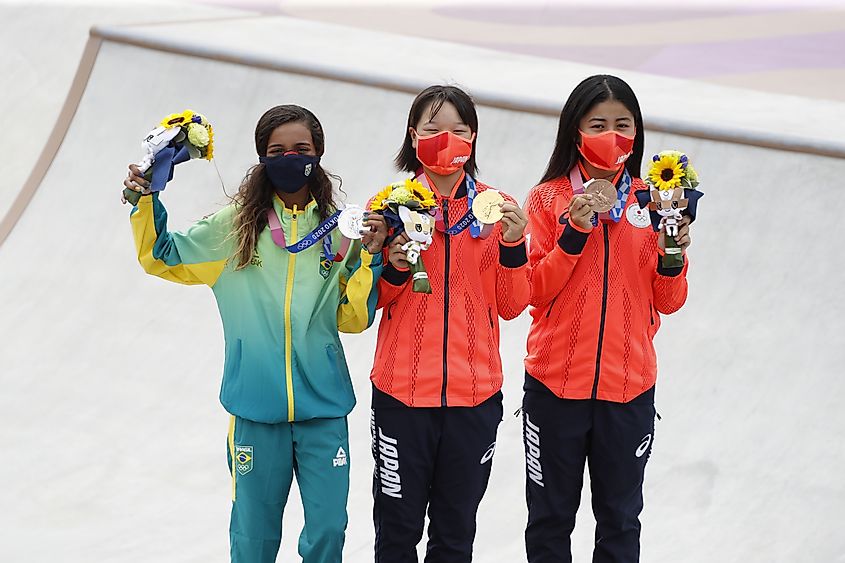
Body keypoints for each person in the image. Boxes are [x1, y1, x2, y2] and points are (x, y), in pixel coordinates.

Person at [122, 104, 387, 563]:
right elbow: (161, 256)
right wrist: (146, 198)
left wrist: (370, 259)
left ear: (318, 154)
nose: (290, 157)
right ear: (262, 157)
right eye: (277, 150)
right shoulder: (233, 228)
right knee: (254, 539)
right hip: (255, 411)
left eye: (301, 149)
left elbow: (353, 319)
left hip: (323, 410)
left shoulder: (341, 229)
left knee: (327, 531)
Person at [521, 75, 693, 563]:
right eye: (598, 124)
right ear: (574, 130)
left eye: (624, 124)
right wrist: (575, 230)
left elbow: (669, 300)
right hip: (555, 386)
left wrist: (673, 254)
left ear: (637, 134)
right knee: (550, 518)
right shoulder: (546, 199)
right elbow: (535, 290)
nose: (612, 135)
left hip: (628, 388)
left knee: (619, 520)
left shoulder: (656, 202)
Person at [369, 85, 530, 562]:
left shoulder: (497, 207)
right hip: (402, 395)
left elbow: (512, 304)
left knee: (456, 535)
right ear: (413, 135)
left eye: (458, 130)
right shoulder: (387, 204)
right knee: (396, 533)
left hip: (474, 398)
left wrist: (515, 246)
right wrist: (394, 265)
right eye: (433, 129)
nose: (446, 139)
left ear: (473, 137)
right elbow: (365, 302)